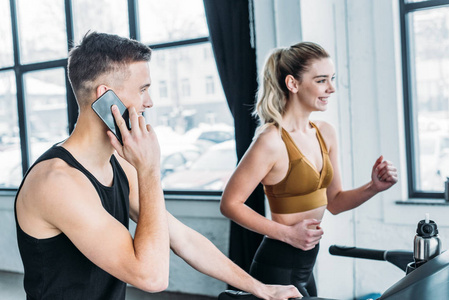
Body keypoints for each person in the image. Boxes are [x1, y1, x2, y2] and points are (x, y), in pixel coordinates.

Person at [14, 32, 302, 300]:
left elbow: (183, 239)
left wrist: (261, 288)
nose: (149, 102)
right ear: (105, 97)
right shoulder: (57, 183)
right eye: (142, 90)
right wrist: (149, 170)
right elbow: (151, 277)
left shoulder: (118, 165)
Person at [220, 42, 398, 297]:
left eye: (332, 79)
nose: (331, 88)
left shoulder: (325, 133)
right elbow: (229, 204)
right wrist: (287, 234)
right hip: (277, 265)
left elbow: (334, 202)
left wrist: (373, 187)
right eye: (321, 80)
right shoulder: (271, 141)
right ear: (293, 84)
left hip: (304, 266)